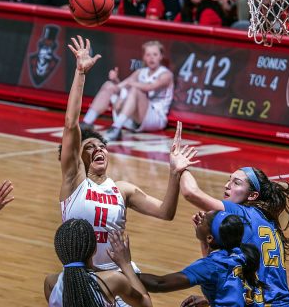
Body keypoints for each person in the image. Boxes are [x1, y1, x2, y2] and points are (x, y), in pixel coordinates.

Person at [61, 36, 197, 275]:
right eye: (90, 147)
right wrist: (80, 74)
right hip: (84, 276)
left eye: (101, 146)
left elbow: (166, 212)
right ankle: (93, 119)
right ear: (78, 159)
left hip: (120, 274)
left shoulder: (123, 190)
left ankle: (116, 125)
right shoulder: (74, 182)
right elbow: (71, 124)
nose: (98, 149)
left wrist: (175, 173)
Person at [179, 167, 289, 305]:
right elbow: (217, 269)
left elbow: (190, 193)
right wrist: (205, 238)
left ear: (252, 196)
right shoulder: (265, 220)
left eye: (236, 183)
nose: (227, 185)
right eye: (229, 180)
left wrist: (180, 167)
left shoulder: (244, 214)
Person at [138, 210, 264, 307]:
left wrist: (123, 269)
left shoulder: (211, 265)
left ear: (210, 238)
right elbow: (234, 290)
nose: (200, 218)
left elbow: (160, 284)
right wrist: (209, 301)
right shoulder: (244, 253)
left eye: (203, 220)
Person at [44, 219, 152, 307]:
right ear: (95, 249)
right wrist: (126, 264)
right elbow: (146, 304)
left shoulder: (50, 282)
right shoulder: (112, 280)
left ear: (59, 251)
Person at [80, 40, 174, 141]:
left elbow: (149, 87)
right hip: (136, 116)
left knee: (135, 90)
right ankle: (87, 123)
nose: (151, 58)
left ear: (161, 56)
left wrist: (130, 84)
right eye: (148, 55)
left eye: (155, 54)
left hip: (156, 118)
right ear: (144, 57)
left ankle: (116, 127)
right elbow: (121, 86)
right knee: (109, 86)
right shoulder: (140, 72)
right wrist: (115, 80)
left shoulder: (166, 75)